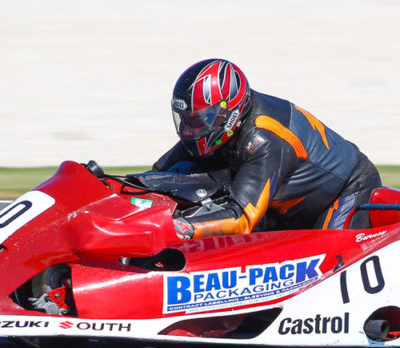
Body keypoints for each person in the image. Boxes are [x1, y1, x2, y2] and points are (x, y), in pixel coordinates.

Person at [153, 58, 381, 239]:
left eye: (198, 121)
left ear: (227, 115)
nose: (188, 132)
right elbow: (157, 177)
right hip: (286, 206)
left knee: (328, 261)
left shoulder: (264, 138)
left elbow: (241, 217)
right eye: (184, 120)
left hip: (345, 191)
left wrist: (180, 227)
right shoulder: (217, 130)